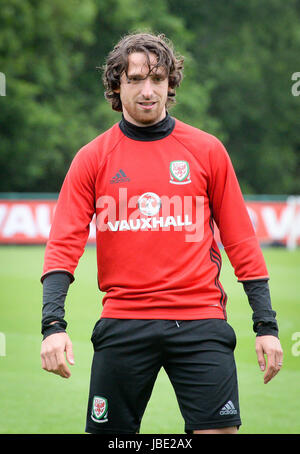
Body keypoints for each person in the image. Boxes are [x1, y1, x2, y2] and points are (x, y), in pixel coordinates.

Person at [40, 32, 283, 435]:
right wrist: (53, 326)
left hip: (200, 320)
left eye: (157, 78)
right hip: (124, 320)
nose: (147, 90)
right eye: (135, 79)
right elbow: (63, 245)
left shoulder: (206, 150)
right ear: (117, 86)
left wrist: (267, 327)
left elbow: (241, 241)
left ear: (171, 83)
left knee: (219, 432)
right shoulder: (93, 158)